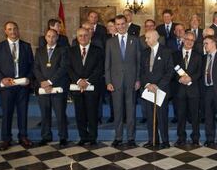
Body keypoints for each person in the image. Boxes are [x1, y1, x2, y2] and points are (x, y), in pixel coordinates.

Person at [0, 21, 34, 151]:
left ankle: (23, 137)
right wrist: (1, 79)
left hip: (22, 86)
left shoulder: (26, 46)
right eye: (9, 29)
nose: (13, 31)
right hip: (7, 86)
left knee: (22, 112)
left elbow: (32, 65)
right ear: (5, 31)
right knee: (7, 113)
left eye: (15, 28)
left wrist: (29, 79)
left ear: (18, 30)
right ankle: (6, 139)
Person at [106, 15, 141, 147]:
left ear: (126, 24)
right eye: (118, 24)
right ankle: (118, 137)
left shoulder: (135, 40)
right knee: (118, 110)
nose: (120, 26)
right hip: (115, 83)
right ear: (115, 26)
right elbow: (107, 64)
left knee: (131, 111)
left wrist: (138, 79)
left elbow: (138, 62)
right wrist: (108, 81)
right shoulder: (110, 42)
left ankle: (131, 138)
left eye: (122, 24)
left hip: (131, 81)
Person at [67, 28, 104, 146]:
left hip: (92, 87)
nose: (83, 38)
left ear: (90, 36)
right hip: (77, 87)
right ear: (77, 37)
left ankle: (92, 137)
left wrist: (87, 82)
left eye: (85, 35)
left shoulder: (98, 51)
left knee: (92, 113)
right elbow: (68, 68)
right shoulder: (70, 51)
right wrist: (78, 81)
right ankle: (83, 137)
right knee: (80, 114)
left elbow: (100, 68)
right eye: (80, 36)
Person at [34, 29, 69, 147]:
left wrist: (49, 82)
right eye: (48, 36)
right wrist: (42, 82)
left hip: (57, 87)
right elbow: (36, 68)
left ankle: (63, 137)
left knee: (60, 114)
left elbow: (63, 68)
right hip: (43, 87)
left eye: (53, 36)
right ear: (45, 37)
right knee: (45, 114)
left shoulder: (63, 50)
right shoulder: (39, 51)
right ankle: (46, 136)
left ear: (57, 37)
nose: (51, 38)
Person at [140, 30, 174, 148]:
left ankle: (165, 141)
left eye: (148, 38)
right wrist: (148, 84)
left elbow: (170, 71)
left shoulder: (166, 51)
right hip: (148, 89)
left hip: (161, 89)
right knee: (150, 116)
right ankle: (153, 140)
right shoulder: (144, 52)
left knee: (162, 116)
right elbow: (142, 71)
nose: (146, 40)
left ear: (155, 38)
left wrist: (158, 85)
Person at [172, 31, 202, 145]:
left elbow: (199, 71)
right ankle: (181, 138)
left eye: (192, 40)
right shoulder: (175, 55)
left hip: (193, 90)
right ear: (183, 40)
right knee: (180, 115)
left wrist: (190, 78)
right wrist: (179, 79)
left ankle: (195, 138)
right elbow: (171, 70)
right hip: (179, 90)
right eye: (187, 39)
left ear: (194, 42)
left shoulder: (198, 55)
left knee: (195, 116)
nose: (189, 42)